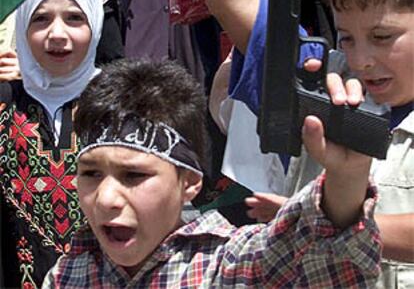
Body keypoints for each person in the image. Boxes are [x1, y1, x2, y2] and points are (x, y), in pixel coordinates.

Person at [42, 58, 381, 287]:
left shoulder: (227, 266)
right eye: (91, 174)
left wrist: (346, 178)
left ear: (189, 183)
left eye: (133, 176)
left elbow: (323, 258)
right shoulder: (68, 273)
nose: (106, 198)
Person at [200, 0, 414, 288]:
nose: (362, 59)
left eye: (381, 37)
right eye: (347, 39)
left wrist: (310, 220)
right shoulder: (321, 82)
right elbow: (235, 0)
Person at [0, 0, 104, 287]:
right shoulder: (4, 100)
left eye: (74, 18)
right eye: (40, 19)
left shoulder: (122, 104)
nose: (57, 34)